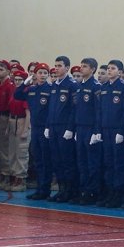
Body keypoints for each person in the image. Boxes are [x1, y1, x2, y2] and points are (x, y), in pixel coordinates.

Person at [15, 62, 53, 200]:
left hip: (45, 129)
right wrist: (25, 83)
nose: (42, 75)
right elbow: (17, 95)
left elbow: (52, 111)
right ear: (35, 74)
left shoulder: (50, 89)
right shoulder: (31, 89)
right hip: (35, 128)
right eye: (40, 73)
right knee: (37, 159)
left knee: (45, 159)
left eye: (45, 73)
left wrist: (48, 127)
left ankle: (45, 189)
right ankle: (39, 188)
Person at [96, 59, 124, 208]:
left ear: (120, 72)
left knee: (118, 164)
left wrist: (122, 131)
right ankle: (109, 193)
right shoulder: (103, 88)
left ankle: (119, 194)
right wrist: (98, 130)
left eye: (113, 68)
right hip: (105, 130)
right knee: (108, 163)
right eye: (108, 68)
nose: (109, 70)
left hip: (117, 131)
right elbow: (99, 111)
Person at [45, 56, 79, 202]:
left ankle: (70, 191)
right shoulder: (54, 85)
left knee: (67, 161)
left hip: (65, 128)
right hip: (53, 127)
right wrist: (47, 126)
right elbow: (50, 108)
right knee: (56, 160)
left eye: (60, 66)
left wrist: (70, 128)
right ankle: (61, 189)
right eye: (55, 65)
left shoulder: (72, 85)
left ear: (67, 68)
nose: (56, 68)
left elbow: (74, 109)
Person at [73, 58, 102, 205]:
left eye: (85, 66)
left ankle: (92, 192)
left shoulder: (96, 87)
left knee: (92, 163)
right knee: (82, 162)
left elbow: (98, 111)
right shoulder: (79, 86)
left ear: (92, 69)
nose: (81, 68)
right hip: (80, 128)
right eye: (81, 66)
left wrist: (96, 131)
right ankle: (83, 190)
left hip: (90, 129)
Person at [7, 70, 30, 191]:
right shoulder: (14, 92)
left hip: (22, 121)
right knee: (12, 151)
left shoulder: (25, 92)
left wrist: (25, 129)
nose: (17, 82)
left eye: (20, 80)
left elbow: (28, 113)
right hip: (12, 121)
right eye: (15, 79)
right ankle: (13, 176)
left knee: (21, 151)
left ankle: (21, 179)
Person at [0, 60, 14, 190]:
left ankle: (6, 175)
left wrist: (9, 123)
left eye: (1, 69)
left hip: (5, 117)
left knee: (5, 148)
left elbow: (12, 105)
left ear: (8, 71)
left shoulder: (10, 86)